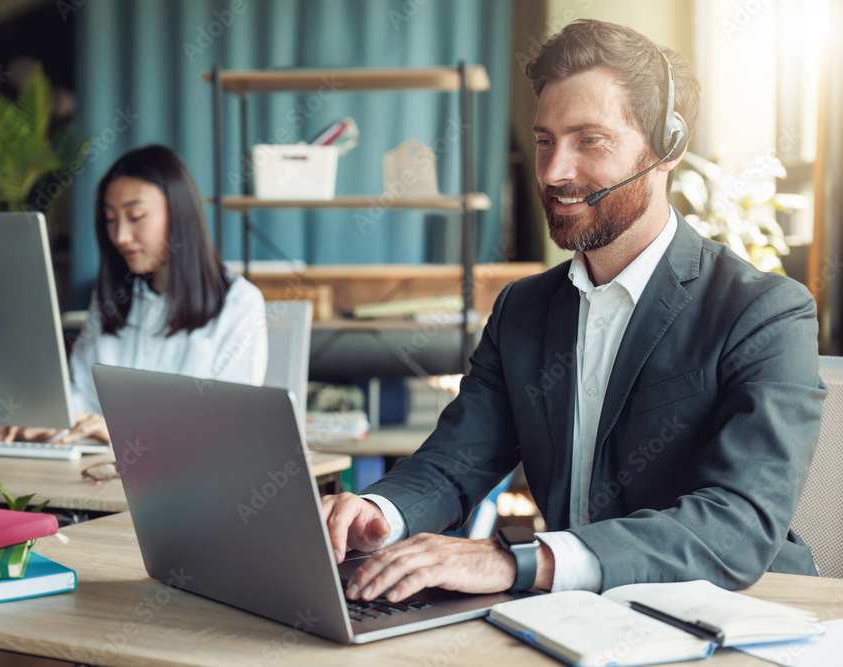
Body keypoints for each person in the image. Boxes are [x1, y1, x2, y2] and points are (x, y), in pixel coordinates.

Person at [321, 19, 825, 604]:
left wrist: (521, 560)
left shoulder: (764, 311)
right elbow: (454, 462)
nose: (554, 172)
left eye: (590, 140)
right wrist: (376, 512)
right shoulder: (523, 308)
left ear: (667, 148)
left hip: (742, 612)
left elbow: (737, 523)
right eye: (544, 140)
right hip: (579, 615)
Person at [2, 144, 268, 443]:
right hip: (97, 474)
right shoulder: (111, 297)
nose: (120, 236)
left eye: (136, 216)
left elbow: (226, 430)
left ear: (180, 214)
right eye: (111, 219)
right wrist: (52, 421)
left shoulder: (239, 304)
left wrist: (119, 434)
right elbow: (81, 395)